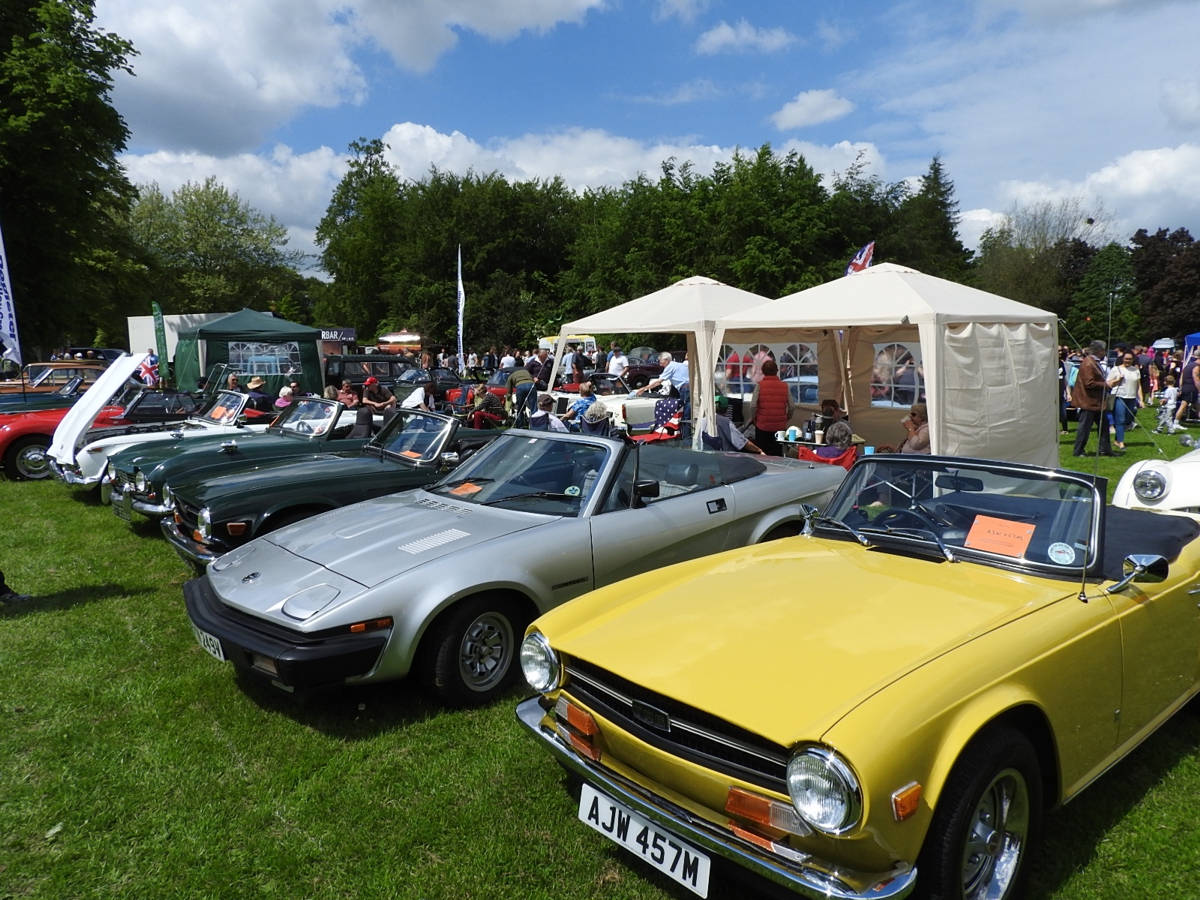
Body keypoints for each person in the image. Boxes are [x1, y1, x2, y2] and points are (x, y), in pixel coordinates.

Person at [1071, 340, 1115, 456]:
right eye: (1104, 350)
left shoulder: (1093, 361)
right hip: (1088, 401)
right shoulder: (1089, 363)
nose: (1105, 352)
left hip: (1096, 402)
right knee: (1084, 428)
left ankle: (1105, 449)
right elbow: (1089, 383)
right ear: (1100, 351)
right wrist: (1107, 385)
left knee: (1104, 426)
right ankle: (1078, 451)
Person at [747, 357, 793, 456]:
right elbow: (792, 406)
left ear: (763, 372)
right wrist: (787, 417)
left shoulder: (759, 386)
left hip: (762, 425)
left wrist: (754, 418)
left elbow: (753, 405)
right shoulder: (785, 386)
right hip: (780, 426)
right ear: (776, 371)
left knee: (762, 452)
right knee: (778, 453)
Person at [1107, 351, 1144, 450]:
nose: (1127, 361)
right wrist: (1117, 380)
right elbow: (1108, 383)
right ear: (1123, 359)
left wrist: (1141, 399)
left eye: (1130, 359)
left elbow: (1138, 386)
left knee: (1127, 419)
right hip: (1119, 396)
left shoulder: (1135, 370)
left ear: (1133, 360)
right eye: (1126, 359)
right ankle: (1121, 442)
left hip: (1131, 397)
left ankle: (1116, 439)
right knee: (1120, 420)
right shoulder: (1116, 369)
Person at [1176, 347, 1200, 431]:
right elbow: (1196, 379)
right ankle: (1176, 422)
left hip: (1186, 387)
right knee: (1183, 406)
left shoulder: (1188, 365)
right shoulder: (1196, 367)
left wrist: (1181, 387)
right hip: (1191, 388)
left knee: (1198, 406)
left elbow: (1181, 377)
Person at [506, 362, 537, 426]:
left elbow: (509, 390)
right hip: (531, 385)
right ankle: (535, 425)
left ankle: (520, 426)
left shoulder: (511, 375)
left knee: (520, 408)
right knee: (533, 407)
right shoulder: (526, 372)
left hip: (520, 387)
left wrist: (509, 397)